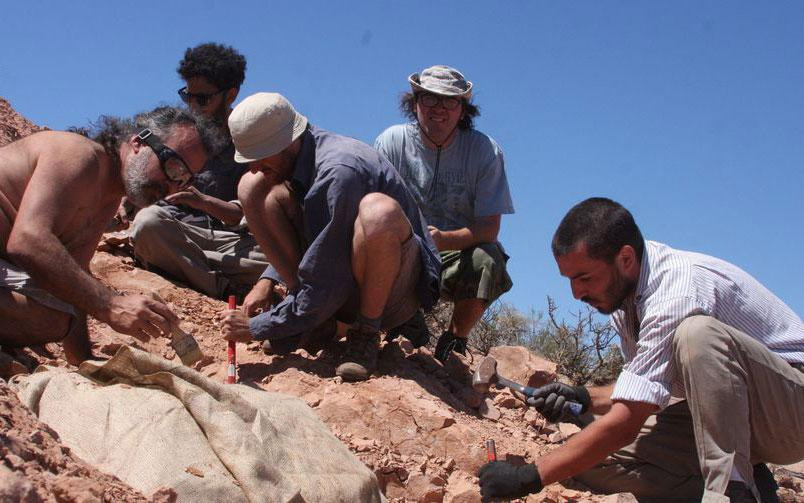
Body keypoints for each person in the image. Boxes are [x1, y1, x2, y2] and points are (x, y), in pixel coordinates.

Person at [478, 197, 804, 502]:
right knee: (589, 461)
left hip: (790, 410)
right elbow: (640, 393)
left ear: (626, 258)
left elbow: (628, 419)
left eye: (584, 277)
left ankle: (732, 490)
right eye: (570, 279)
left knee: (697, 335)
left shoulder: (676, 293)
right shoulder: (625, 300)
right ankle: (752, 485)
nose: (577, 292)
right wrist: (582, 396)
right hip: (730, 417)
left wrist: (528, 478)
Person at [219, 92, 441, 381]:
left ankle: (365, 333)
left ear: (287, 141)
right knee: (252, 186)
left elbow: (329, 278)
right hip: (340, 275)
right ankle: (317, 323)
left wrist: (258, 327)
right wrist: (268, 279)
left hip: (394, 290)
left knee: (378, 213)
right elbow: (322, 237)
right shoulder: (300, 155)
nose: (254, 165)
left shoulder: (338, 169)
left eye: (259, 156)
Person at [0, 106, 221, 368]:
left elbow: (73, 276)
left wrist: (85, 362)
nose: (172, 186)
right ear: (139, 142)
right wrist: (110, 304)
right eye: (173, 167)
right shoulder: (79, 155)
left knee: (55, 319)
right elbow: (27, 240)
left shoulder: (108, 196)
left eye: (184, 180)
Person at [374, 65, 513, 362]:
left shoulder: (485, 151)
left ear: (463, 110)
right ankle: (400, 319)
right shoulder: (391, 142)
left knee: (488, 259)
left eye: (450, 101)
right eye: (429, 99)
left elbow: (489, 228)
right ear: (414, 104)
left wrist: (443, 240)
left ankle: (455, 339)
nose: (439, 108)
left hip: (454, 252)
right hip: (402, 249)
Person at [127, 42, 268, 299]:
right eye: (187, 96)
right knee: (148, 224)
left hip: (232, 241)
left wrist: (203, 202)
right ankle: (224, 289)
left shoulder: (251, 141)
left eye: (203, 99)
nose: (193, 106)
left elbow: (246, 213)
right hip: (175, 230)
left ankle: (188, 268)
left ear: (231, 94)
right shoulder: (177, 132)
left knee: (278, 258)